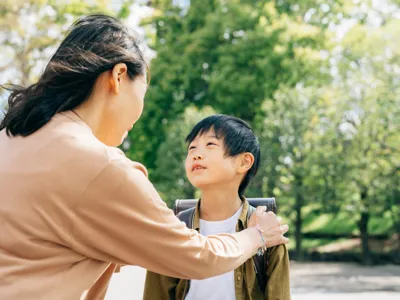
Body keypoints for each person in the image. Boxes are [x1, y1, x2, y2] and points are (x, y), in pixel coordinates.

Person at [0, 14, 289, 300]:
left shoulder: (10, 139)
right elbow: (196, 257)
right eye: (143, 91)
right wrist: (257, 236)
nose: (140, 111)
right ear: (119, 76)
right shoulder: (101, 166)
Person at [143, 115, 291, 300]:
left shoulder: (268, 231)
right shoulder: (174, 228)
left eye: (210, 145)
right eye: (192, 148)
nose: (196, 154)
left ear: (244, 161)